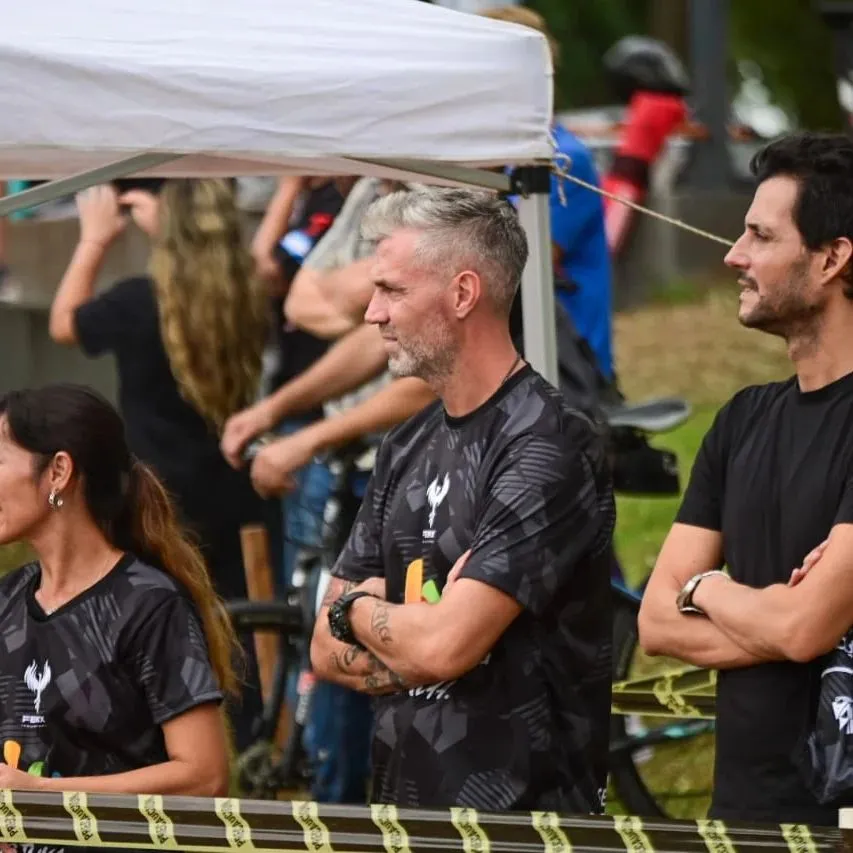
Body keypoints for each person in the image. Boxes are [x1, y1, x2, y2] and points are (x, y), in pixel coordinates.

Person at [310, 186, 615, 811]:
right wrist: (406, 631)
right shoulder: (405, 444)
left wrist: (358, 611)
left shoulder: (547, 442)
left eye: (392, 290)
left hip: (526, 827)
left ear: (463, 294)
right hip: (405, 817)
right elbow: (323, 648)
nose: (372, 314)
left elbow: (445, 647)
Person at [638, 131, 853, 826]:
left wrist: (705, 588)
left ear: (831, 258)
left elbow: (802, 627)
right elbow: (655, 621)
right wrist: (784, 621)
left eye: (760, 236)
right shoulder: (741, 419)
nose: (734, 255)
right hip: (739, 815)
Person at [47, 178, 269, 751]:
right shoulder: (249, 291)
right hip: (237, 486)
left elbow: (65, 322)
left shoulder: (139, 301)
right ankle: (252, 742)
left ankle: (157, 738)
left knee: (153, 618)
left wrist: (95, 238)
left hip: (156, 495)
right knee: (239, 622)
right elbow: (215, 262)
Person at [0, 384, 232, 801]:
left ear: (58, 472)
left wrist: (44, 793)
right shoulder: (8, 598)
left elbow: (204, 775)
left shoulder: (149, 605)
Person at [482, 6, 615, 383]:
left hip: (567, 366)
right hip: (517, 348)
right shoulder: (503, 156)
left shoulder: (562, 159)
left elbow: (517, 265)